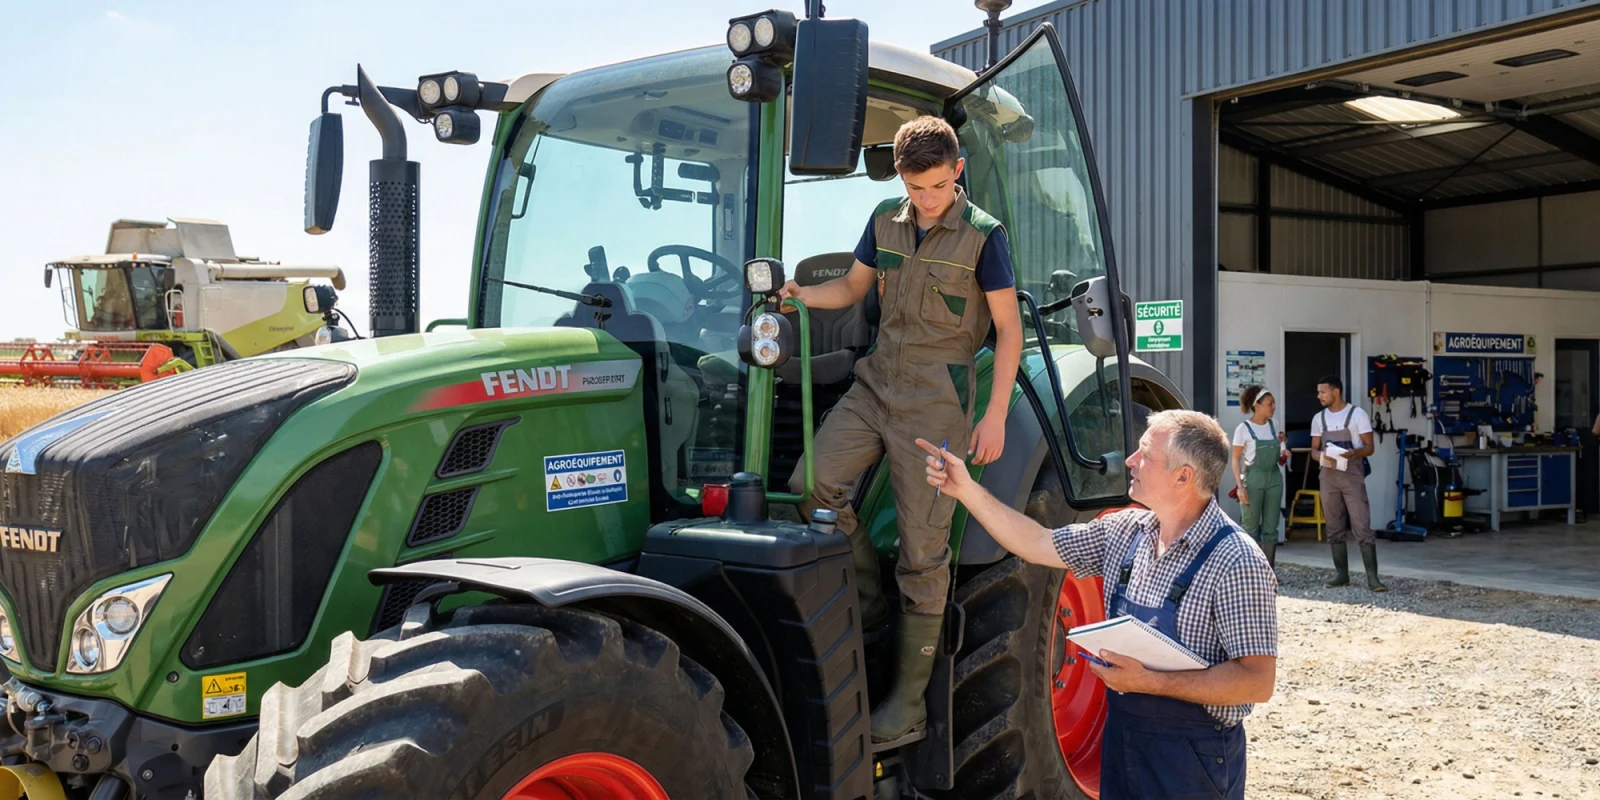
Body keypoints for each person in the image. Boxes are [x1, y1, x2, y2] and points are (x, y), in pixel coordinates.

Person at [778, 115, 1024, 743]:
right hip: (875, 386)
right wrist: (799, 295)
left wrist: (993, 415)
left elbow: (1009, 329)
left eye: (938, 187)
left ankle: (908, 704)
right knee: (811, 485)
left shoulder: (983, 237)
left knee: (923, 551)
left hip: (936, 408)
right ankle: (871, 614)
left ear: (957, 172)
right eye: (917, 189)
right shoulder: (886, 218)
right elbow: (854, 288)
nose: (927, 200)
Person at [915, 410, 1277, 800]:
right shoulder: (1125, 531)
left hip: (1192, 758)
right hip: (1122, 741)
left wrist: (1151, 682)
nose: (1130, 461)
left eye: (1144, 455)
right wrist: (965, 489)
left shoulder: (1237, 561)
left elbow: (1257, 681)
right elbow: (1037, 543)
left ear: (1183, 476)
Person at [1311, 375, 1387, 592]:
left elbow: (1369, 447)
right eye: (1318, 392)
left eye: (1323, 392)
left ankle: (1373, 578)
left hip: (1352, 474)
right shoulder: (1318, 419)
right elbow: (1314, 449)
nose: (1319, 396)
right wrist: (1321, 456)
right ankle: (1341, 575)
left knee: (1361, 523)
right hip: (1328, 475)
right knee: (1334, 525)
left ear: (1336, 392)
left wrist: (1354, 453)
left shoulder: (1357, 415)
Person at [1230, 385, 1287, 567]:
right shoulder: (1243, 429)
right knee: (1250, 527)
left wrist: (1284, 450)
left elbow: (1279, 453)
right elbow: (1235, 460)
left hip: (1274, 477)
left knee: (1271, 527)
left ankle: (1269, 571)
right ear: (1257, 405)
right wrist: (1240, 486)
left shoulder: (1275, 425)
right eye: (1270, 404)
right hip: (1253, 478)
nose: (1273, 407)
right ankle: (1251, 571)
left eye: (1273, 403)